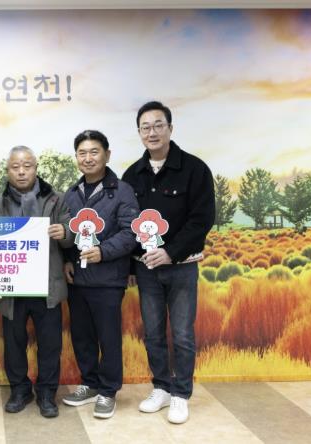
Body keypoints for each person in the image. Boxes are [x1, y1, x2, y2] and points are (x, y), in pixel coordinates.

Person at [122, 101, 215, 424]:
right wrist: (131, 266)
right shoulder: (132, 175)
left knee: (183, 334)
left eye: (158, 125)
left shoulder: (195, 169)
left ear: (170, 128)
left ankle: (180, 394)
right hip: (146, 269)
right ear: (139, 133)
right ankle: (161, 387)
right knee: (153, 333)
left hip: (182, 266)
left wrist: (170, 252)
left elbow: (201, 219)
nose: (152, 132)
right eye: (145, 127)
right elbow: (127, 223)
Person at [0, 146, 73, 418]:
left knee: (50, 344)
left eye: (27, 166)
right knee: (14, 344)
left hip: (47, 285)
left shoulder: (56, 199)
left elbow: (72, 235)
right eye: (15, 167)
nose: (21, 171)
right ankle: (19, 390)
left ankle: (46, 393)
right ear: (8, 170)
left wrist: (64, 232)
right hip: (12, 288)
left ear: (35, 168)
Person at [61, 130, 139, 419]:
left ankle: (108, 390)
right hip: (77, 279)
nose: (88, 158)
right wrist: (67, 260)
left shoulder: (122, 190)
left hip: (108, 278)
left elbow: (131, 232)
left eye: (94, 152)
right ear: (76, 157)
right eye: (82, 153)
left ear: (107, 154)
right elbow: (67, 232)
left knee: (108, 337)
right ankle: (90, 383)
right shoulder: (71, 193)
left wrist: (103, 251)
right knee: (82, 336)